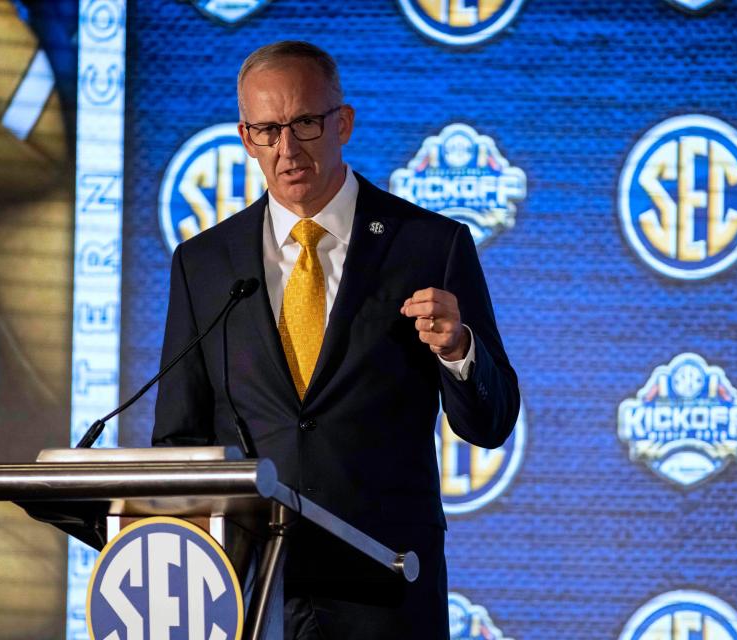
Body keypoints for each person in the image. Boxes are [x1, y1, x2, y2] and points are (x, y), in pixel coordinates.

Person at [152, 40, 519, 639]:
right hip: (246, 595)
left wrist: (459, 352)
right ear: (246, 138)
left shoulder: (428, 245)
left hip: (385, 591)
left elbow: (492, 421)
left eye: (305, 123)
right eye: (268, 130)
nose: (288, 149)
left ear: (342, 122)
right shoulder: (204, 264)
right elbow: (178, 439)